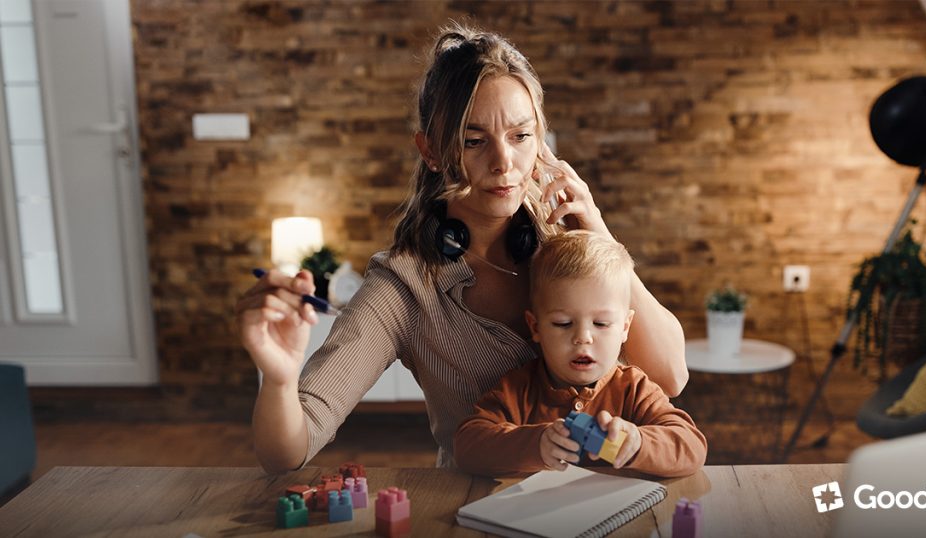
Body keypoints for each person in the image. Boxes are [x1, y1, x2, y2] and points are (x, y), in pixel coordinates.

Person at [235, 23, 688, 474]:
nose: (503, 162)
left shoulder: (568, 240)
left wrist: (600, 236)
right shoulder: (403, 288)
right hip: (480, 504)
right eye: (474, 141)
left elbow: (671, 376)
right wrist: (279, 378)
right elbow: (286, 452)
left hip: (610, 497)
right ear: (431, 151)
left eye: (521, 136)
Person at [454, 231, 706, 478]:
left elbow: (691, 446)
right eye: (563, 323)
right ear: (535, 327)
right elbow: (468, 446)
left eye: (601, 324)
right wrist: (536, 443)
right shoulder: (518, 390)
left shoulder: (634, 389)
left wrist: (638, 443)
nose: (583, 337)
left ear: (624, 328)